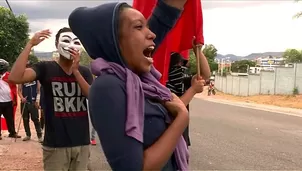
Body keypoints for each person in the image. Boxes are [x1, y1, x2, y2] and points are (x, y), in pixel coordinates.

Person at [69, 0, 193, 170]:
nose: (152, 34)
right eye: (138, 27)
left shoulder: (136, 78)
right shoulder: (107, 87)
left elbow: (165, 15)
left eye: (147, 27)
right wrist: (181, 118)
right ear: (114, 41)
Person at [8, 27, 93, 171]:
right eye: (66, 40)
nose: (71, 46)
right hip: (55, 145)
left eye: (76, 42)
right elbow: (15, 78)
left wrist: (76, 72)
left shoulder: (84, 72)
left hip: (82, 143)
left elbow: (92, 96)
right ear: (56, 44)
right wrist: (30, 44)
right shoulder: (45, 67)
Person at [166, 51, 209, 147]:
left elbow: (205, 75)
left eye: (183, 64)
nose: (182, 68)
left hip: (181, 137)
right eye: (178, 65)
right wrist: (193, 90)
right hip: (166, 138)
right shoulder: (162, 84)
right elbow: (175, 108)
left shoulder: (182, 82)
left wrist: (197, 51)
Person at [18, 62, 43, 142]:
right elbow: (19, 90)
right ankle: (28, 135)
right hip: (25, 102)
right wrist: (22, 98)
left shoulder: (36, 78)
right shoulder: (21, 78)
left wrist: (37, 100)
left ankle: (39, 136)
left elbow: (38, 90)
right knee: (25, 119)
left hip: (33, 102)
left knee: (35, 119)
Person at [0, 59, 21, 140]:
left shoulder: (9, 76)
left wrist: (15, 100)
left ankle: (12, 133)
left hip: (9, 101)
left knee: (10, 118)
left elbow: (14, 87)